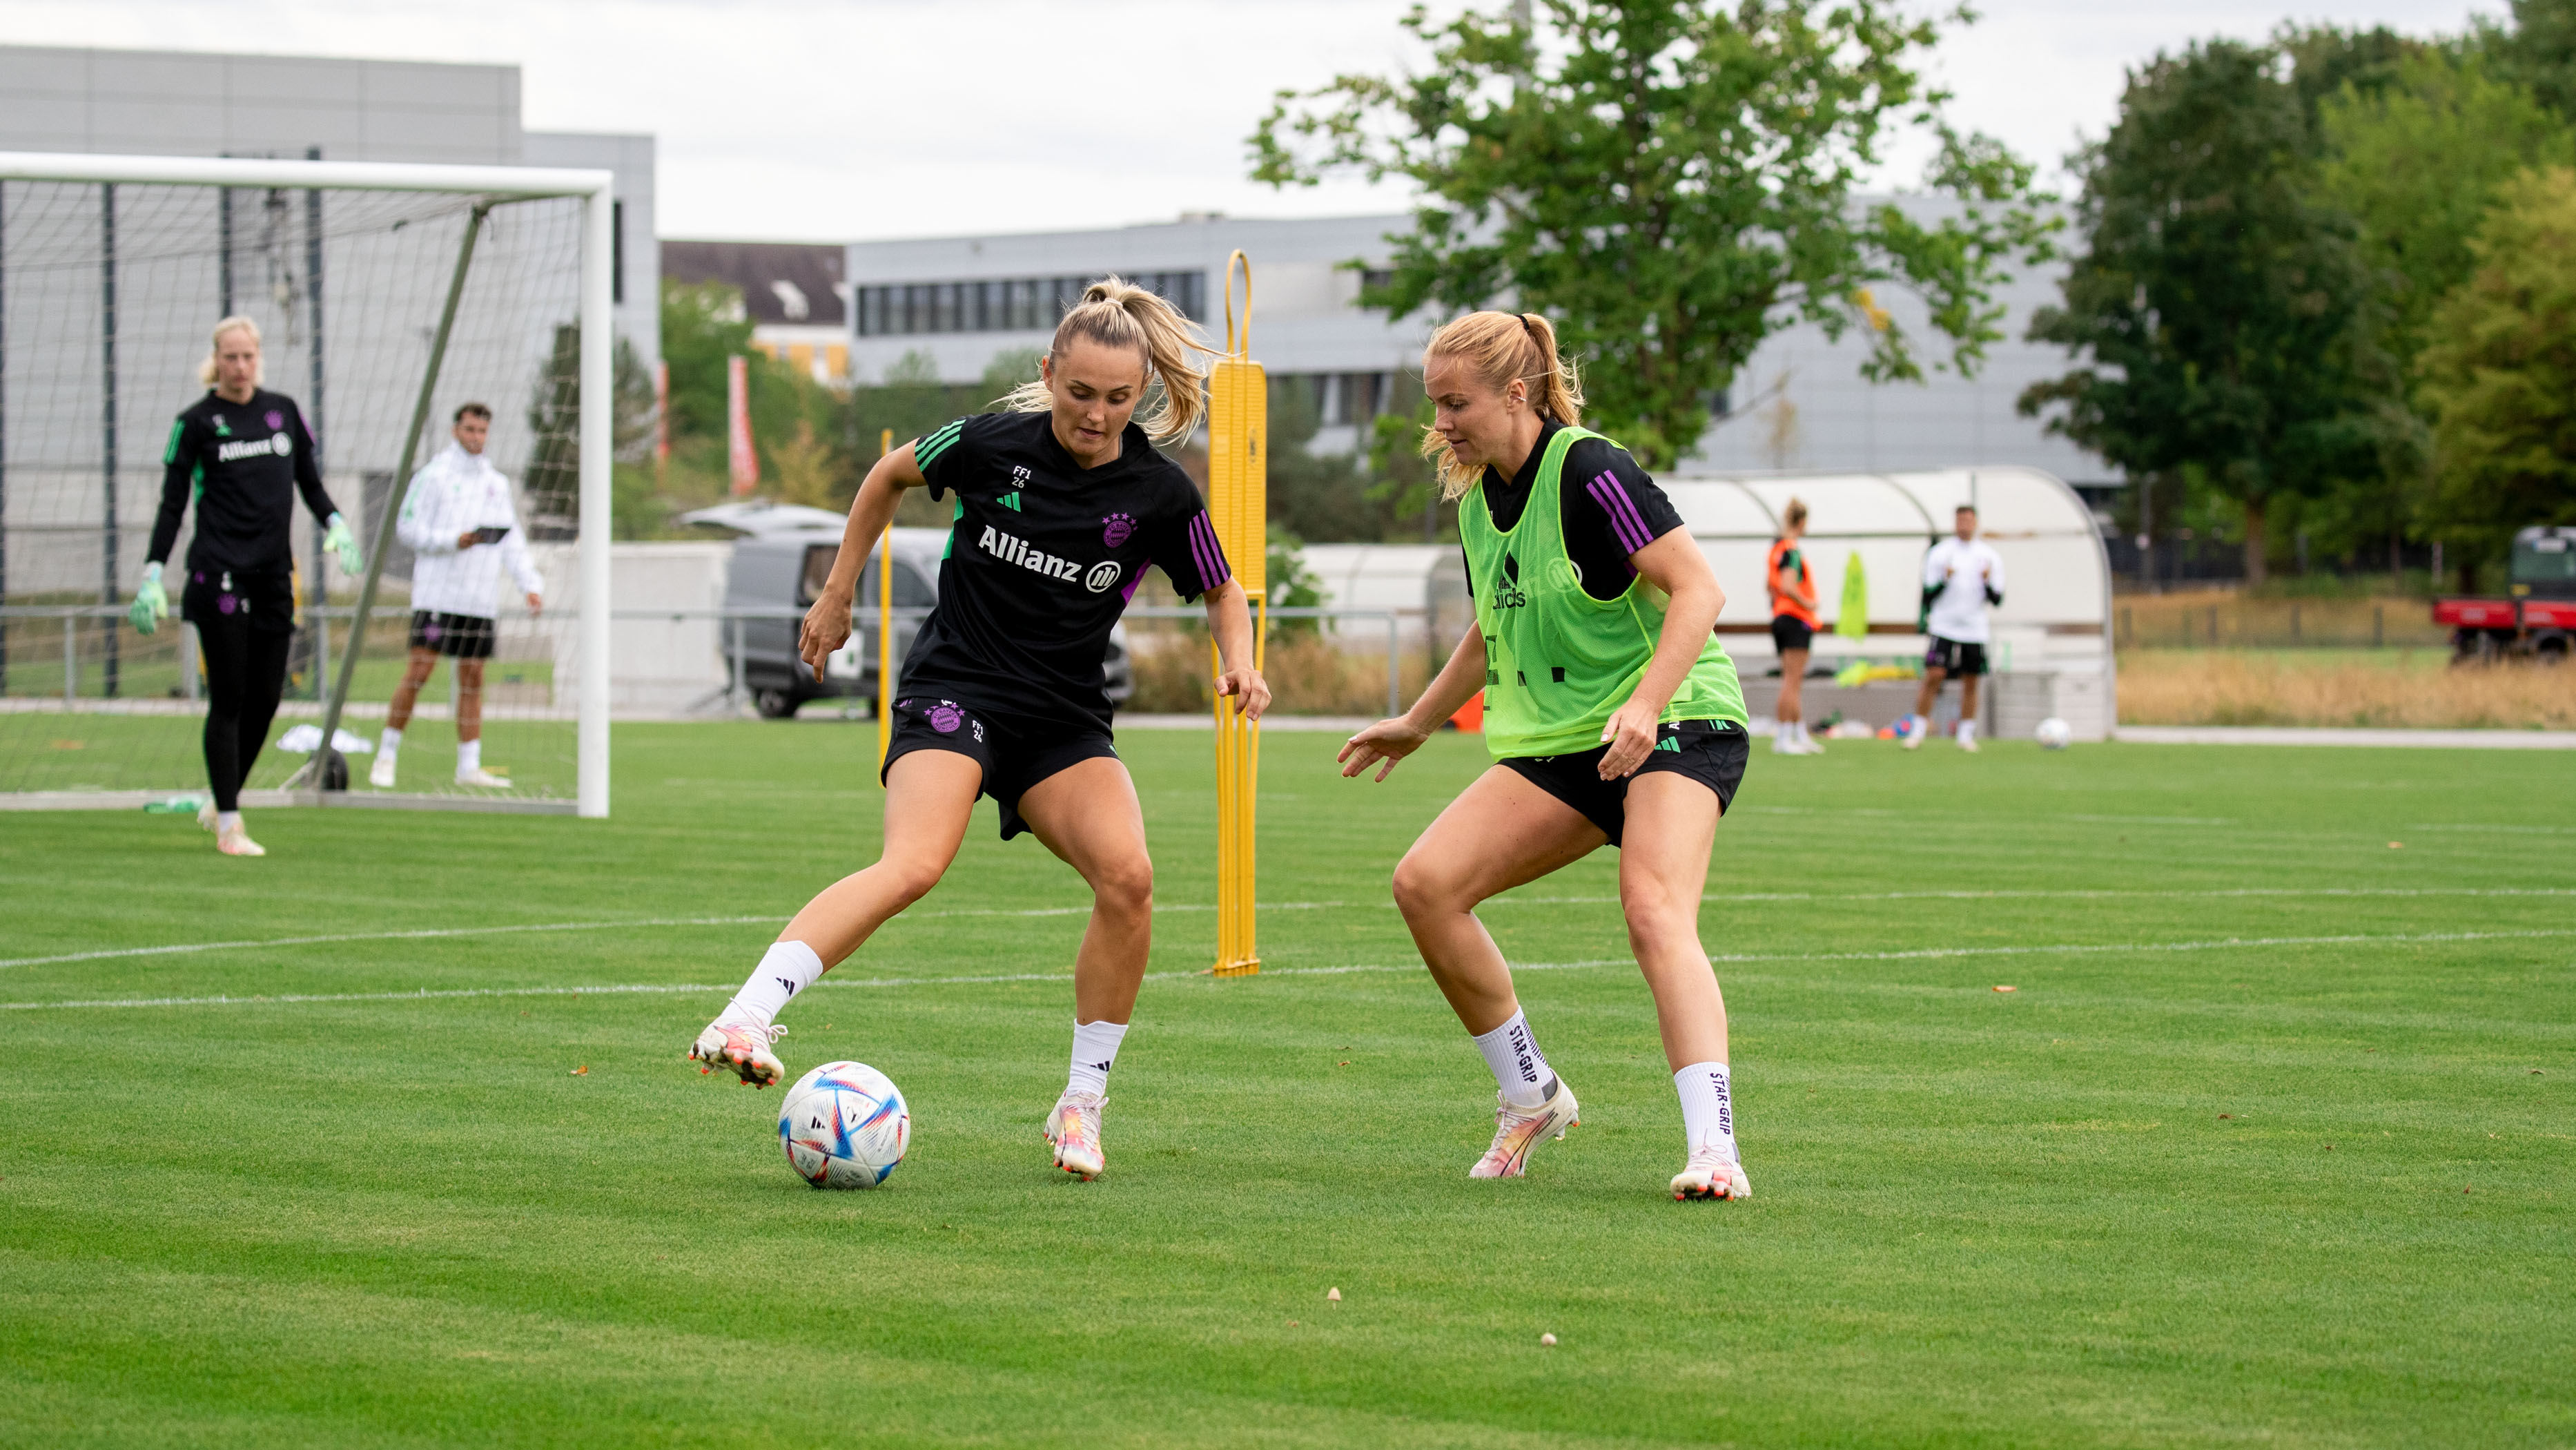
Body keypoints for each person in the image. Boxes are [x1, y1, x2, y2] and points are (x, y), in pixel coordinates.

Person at [686, 279, 1269, 1182]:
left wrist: (1242, 660)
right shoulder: (990, 442)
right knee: (915, 863)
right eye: (1080, 394)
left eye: (1118, 399)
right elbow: (888, 476)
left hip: (1060, 719)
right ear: (1048, 373)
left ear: (1139, 394)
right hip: (956, 685)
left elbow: (1223, 588)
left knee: (1130, 880)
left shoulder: (1157, 491)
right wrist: (837, 593)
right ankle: (744, 1018)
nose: (1096, 414)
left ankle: (1081, 1107)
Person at [1338, 311, 1756, 1201]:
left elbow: (1699, 589)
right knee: (1426, 885)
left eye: (1457, 404)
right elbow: (1492, 630)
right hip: (1567, 741)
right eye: (1435, 403)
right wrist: (1415, 722)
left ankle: (1715, 1150)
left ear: (1517, 394)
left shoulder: (1589, 469)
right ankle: (1530, 1095)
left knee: (1652, 911)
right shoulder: (1476, 504)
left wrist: (1645, 707)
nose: (1440, 423)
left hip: (1678, 722)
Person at [129, 316, 362, 857]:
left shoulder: (282, 413)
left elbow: (310, 482)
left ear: (259, 357)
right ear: (216, 359)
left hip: (274, 574)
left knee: (266, 697)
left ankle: (221, 797)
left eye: (248, 357)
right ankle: (229, 821)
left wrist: (337, 523)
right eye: (230, 358)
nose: (240, 367)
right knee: (229, 697)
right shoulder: (197, 423)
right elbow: (172, 504)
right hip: (220, 574)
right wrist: (152, 573)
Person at [371, 403, 545, 789]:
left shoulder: (496, 483)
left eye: (482, 431)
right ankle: (387, 754)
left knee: (473, 678)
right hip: (437, 597)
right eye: (469, 430)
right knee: (419, 673)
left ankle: (469, 765)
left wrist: (530, 583)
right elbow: (407, 528)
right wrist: (454, 541)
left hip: (478, 598)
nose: (476, 438)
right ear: (456, 431)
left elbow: (511, 538)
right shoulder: (433, 476)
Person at [1902, 504, 2006, 753]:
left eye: (1969, 521)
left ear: (1976, 523)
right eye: (1960, 521)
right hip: (1944, 625)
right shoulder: (1940, 554)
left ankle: (1966, 734)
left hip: (1974, 628)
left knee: (1971, 681)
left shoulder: (1989, 556)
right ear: (1955, 523)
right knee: (1934, 675)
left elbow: (1997, 599)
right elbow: (1927, 594)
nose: (1964, 525)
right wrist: (1945, 579)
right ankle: (1917, 731)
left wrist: (1987, 582)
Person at [1766, 498, 1824, 755]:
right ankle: (1782, 737)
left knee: (1794, 679)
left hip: (1782, 617)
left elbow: (1771, 587)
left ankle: (1799, 733)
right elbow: (1789, 586)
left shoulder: (1777, 548)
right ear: (1802, 522)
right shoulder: (1791, 550)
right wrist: (1809, 603)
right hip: (1795, 617)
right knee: (1791, 680)